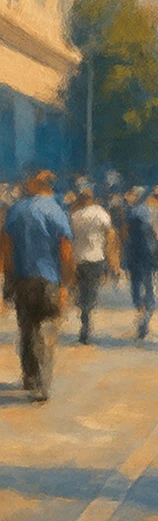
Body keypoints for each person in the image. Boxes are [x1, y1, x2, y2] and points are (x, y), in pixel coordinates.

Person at [0, 169, 75, 401]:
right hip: (49, 278)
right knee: (48, 328)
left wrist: (8, 277)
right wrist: (66, 284)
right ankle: (43, 383)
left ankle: (30, 376)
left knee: (27, 327)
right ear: (49, 188)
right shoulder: (56, 211)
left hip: (22, 278)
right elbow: (65, 250)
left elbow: (5, 246)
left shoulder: (16, 211)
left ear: (32, 185)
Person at [69, 189, 121, 344]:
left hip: (79, 259)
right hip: (96, 258)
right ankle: (87, 320)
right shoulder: (100, 213)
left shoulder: (75, 216)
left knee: (81, 291)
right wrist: (113, 261)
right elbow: (110, 234)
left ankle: (84, 318)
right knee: (91, 291)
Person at [122, 187, 158, 341]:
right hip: (149, 254)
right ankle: (147, 313)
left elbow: (124, 235)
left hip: (134, 254)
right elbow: (157, 233)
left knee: (135, 285)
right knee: (149, 284)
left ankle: (140, 310)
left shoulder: (130, 213)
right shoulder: (152, 212)